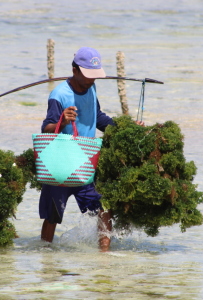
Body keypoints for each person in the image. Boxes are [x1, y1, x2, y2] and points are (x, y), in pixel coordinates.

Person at [39, 46, 140, 252]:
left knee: (103, 208)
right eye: (87, 76)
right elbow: (46, 129)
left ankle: (104, 256)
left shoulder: (91, 87)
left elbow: (98, 117)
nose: (91, 80)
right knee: (53, 216)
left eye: (94, 76)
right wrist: (62, 121)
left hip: (86, 163)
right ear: (75, 70)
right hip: (60, 164)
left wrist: (126, 129)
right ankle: (45, 256)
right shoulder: (59, 95)